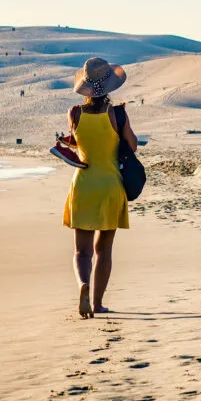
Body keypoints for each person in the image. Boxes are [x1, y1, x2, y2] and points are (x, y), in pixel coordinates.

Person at [61, 57, 138, 318]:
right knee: (103, 251)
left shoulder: (74, 113)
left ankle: (82, 284)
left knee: (81, 251)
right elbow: (132, 145)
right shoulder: (117, 114)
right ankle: (97, 303)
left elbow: (79, 144)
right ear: (109, 86)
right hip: (109, 184)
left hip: (83, 184)